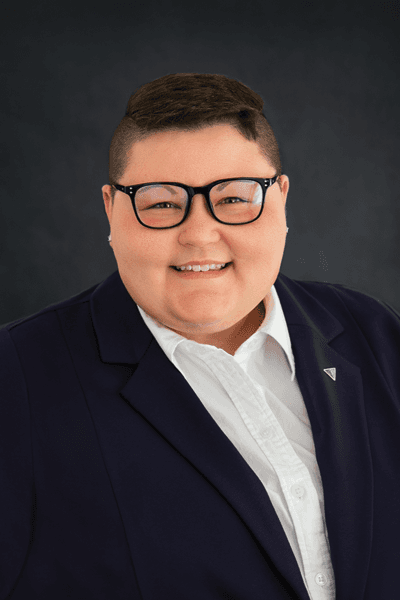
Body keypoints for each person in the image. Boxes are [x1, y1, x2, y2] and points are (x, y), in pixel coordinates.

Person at [0, 73, 399, 600]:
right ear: (111, 210)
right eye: (161, 203)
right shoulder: (16, 377)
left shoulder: (374, 333)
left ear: (280, 199)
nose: (199, 233)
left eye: (233, 198)